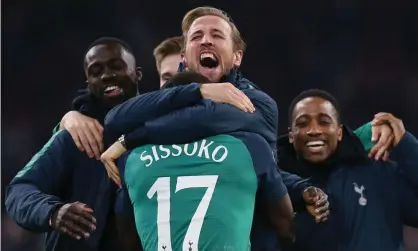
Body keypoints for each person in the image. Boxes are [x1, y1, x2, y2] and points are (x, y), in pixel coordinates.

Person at [4, 37, 143, 251]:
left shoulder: (160, 131)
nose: (107, 75)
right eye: (96, 72)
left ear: (137, 73)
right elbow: (18, 191)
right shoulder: (74, 139)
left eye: (116, 66)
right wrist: (53, 212)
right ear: (88, 84)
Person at [278, 89, 418, 251]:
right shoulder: (277, 188)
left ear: (339, 132)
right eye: (302, 124)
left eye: (324, 122)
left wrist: (407, 146)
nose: (314, 130)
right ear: (291, 136)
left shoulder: (378, 173)